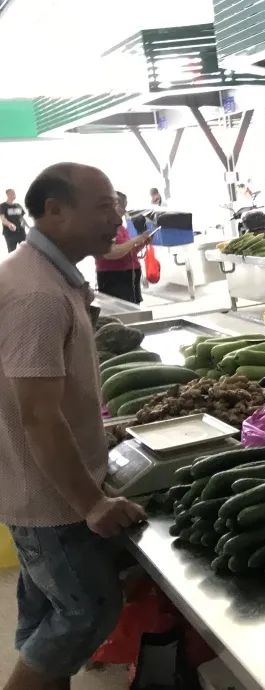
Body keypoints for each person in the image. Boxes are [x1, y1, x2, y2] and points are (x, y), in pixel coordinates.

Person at [0, 163, 147, 690]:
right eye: (103, 206)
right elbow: (38, 414)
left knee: (48, 611)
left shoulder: (45, 275)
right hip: (51, 498)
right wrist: (92, 503)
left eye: (117, 206)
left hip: (39, 484)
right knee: (87, 612)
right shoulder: (37, 293)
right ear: (55, 211)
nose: (116, 219)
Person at [95, 191, 151, 304]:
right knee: (121, 311)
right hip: (114, 277)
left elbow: (127, 250)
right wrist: (134, 241)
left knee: (134, 310)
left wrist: (141, 243)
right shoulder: (104, 226)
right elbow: (110, 252)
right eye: (121, 206)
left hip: (130, 276)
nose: (124, 210)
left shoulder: (120, 227)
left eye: (125, 206)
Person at [1, 188, 28, 253]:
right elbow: (3, 219)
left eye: (14, 193)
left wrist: (28, 226)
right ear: (8, 194)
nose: (14, 195)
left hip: (21, 232)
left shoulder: (18, 205)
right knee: (12, 252)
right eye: (13, 193)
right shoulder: (2, 206)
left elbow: (22, 218)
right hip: (10, 233)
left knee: (26, 250)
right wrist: (9, 224)